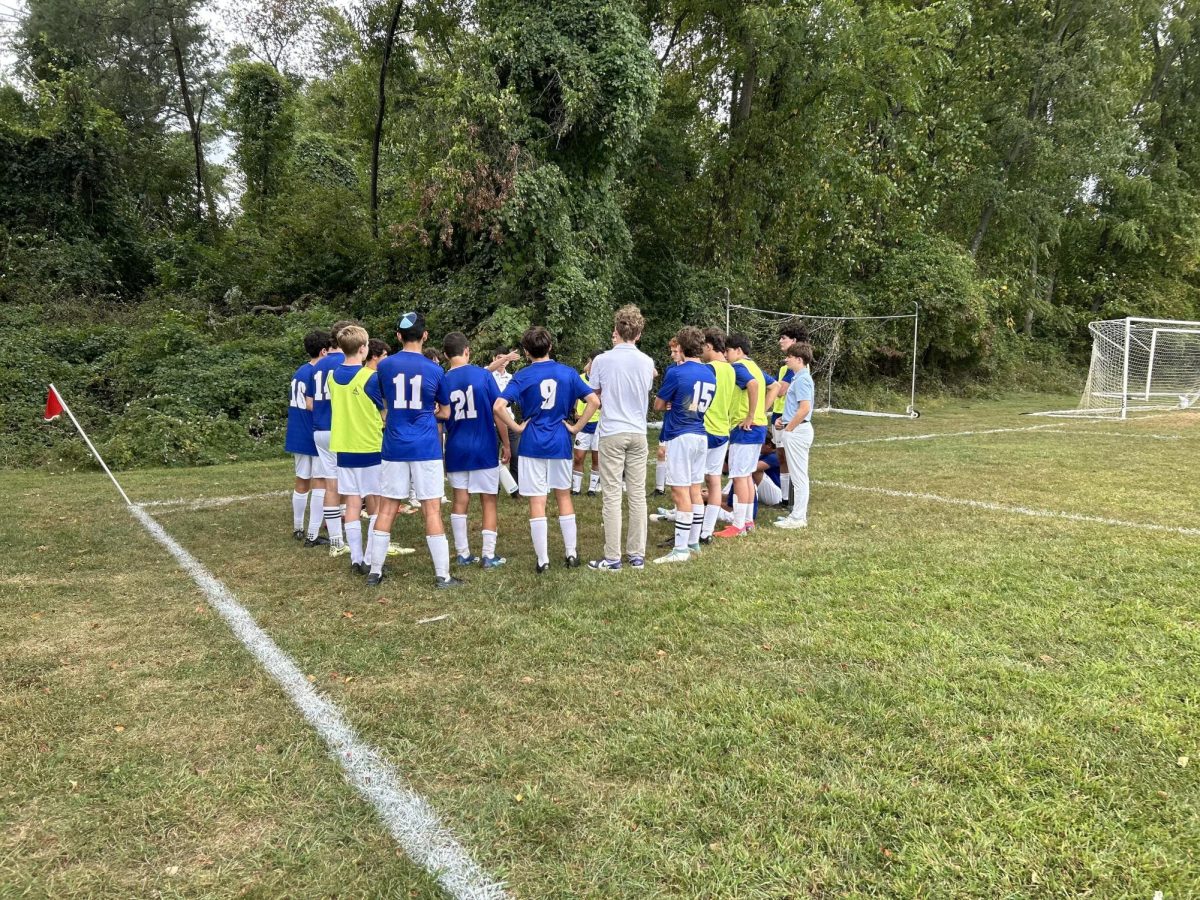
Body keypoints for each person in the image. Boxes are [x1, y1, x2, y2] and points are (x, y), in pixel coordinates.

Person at [366, 311, 461, 589]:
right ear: (425, 336)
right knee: (431, 509)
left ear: (398, 336)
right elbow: (445, 410)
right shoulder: (435, 370)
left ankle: (375, 571)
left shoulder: (385, 366)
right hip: (426, 446)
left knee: (387, 508)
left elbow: (375, 392)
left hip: (394, 445)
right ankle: (442, 575)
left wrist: (387, 410)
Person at [494, 326, 598, 574]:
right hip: (560, 441)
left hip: (532, 443)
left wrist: (517, 427)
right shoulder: (568, 373)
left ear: (527, 352)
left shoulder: (522, 376)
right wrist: (576, 427)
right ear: (550, 346)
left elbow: (498, 406)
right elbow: (594, 401)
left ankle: (543, 560)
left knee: (537, 501)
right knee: (563, 496)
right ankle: (571, 553)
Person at [587, 305, 656, 571]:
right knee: (637, 494)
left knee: (612, 494)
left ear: (617, 330)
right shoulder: (647, 362)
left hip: (613, 431)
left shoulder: (602, 360)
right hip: (638, 431)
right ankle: (636, 555)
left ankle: (613, 557)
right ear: (638, 334)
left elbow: (594, 394)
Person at [436, 331, 509, 569]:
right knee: (489, 500)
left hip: (456, 446)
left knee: (460, 500)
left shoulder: (442, 379)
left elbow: (439, 417)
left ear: (446, 355)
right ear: (467, 350)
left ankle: (463, 553)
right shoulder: (483, 375)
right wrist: (506, 443)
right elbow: (498, 411)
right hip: (483, 446)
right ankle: (488, 554)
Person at [651, 326, 715, 563]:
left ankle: (680, 550)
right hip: (700, 433)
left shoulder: (677, 373)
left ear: (682, 346)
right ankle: (693, 541)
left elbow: (658, 404)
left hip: (681, 434)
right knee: (695, 489)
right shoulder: (710, 372)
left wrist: (670, 403)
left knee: (680, 491)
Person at [328, 326, 383, 576]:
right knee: (376, 502)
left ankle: (356, 558)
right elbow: (384, 409)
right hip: (369, 445)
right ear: (363, 349)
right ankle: (371, 556)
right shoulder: (369, 377)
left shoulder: (332, 376)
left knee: (351, 502)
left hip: (344, 446)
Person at [714, 332, 775, 538]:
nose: (726, 355)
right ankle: (747, 521)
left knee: (739, 476)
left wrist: (750, 415)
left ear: (738, 351)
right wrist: (761, 411)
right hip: (758, 427)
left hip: (745, 429)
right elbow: (774, 386)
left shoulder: (738, 367)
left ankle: (738, 524)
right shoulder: (754, 366)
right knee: (746, 475)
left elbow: (753, 385)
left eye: (728, 351)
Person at [306, 321, 358, 554]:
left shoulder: (318, 365)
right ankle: (346, 535)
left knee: (330, 481)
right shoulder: (345, 362)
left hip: (319, 428)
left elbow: (309, 403)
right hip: (340, 428)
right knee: (349, 481)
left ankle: (336, 539)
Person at [286, 330, 329, 542]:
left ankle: (298, 527)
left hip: (297, 431)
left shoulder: (299, 371)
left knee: (302, 480)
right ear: (323, 351)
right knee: (320, 480)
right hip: (312, 430)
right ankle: (314, 530)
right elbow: (313, 405)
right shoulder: (317, 373)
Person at [770, 342, 815, 528]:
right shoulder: (798, 378)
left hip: (797, 431)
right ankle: (796, 514)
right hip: (794, 429)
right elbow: (796, 407)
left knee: (799, 476)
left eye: (789, 357)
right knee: (798, 475)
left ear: (799, 359)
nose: (785, 359)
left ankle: (798, 517)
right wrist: (783, 420)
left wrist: (789, 429)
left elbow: (805, 408)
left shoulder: (803, 379)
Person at [699, 327, 736, 543]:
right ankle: (707, 531)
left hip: (706, 429)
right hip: (723, 430)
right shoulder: (731, 369)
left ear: (709, 346)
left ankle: (692, 530)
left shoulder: (709, 369)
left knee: (694, 482)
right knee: (714, 481)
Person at [771, 324, 807, 505]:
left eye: (784, 337)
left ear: (794, 341)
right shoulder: (786, 366)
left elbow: (781, 391)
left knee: (790, 456)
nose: (780, 341)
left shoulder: (795, 368)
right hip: (778, 415)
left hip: (788, 419)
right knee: (781, 456)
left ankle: (793, 499)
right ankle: (785, 498)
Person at [488, 348, 522, 497]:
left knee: (515, 454)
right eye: (499, 358)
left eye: (505, 359)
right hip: (492, 423)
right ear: (494, 358)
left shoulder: (511, 378)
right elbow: (488, 369)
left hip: (509, 421)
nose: (502, 361)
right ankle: (493, 489)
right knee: (492, 456)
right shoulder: (488, 375)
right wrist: (506, 357)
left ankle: (515, 488)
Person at [571, 350, 603, 496]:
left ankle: (592, 489)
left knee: (597, 457)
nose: (591, 365)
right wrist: (575, 410)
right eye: (590, 361)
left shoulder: (605, 380)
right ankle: (576, 489)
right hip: (582, 423)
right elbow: (575, 398)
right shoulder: (580, 378)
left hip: (599, 423)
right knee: (578, 456)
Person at [653, 337, 682, 497]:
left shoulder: (696, 369)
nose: (672, 354)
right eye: (671, 351)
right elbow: (662, 399)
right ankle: (659, 488)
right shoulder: (671, 370)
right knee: (661, 452)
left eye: (675, 351)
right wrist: (665, 404)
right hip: (669, 419)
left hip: (685, 423)